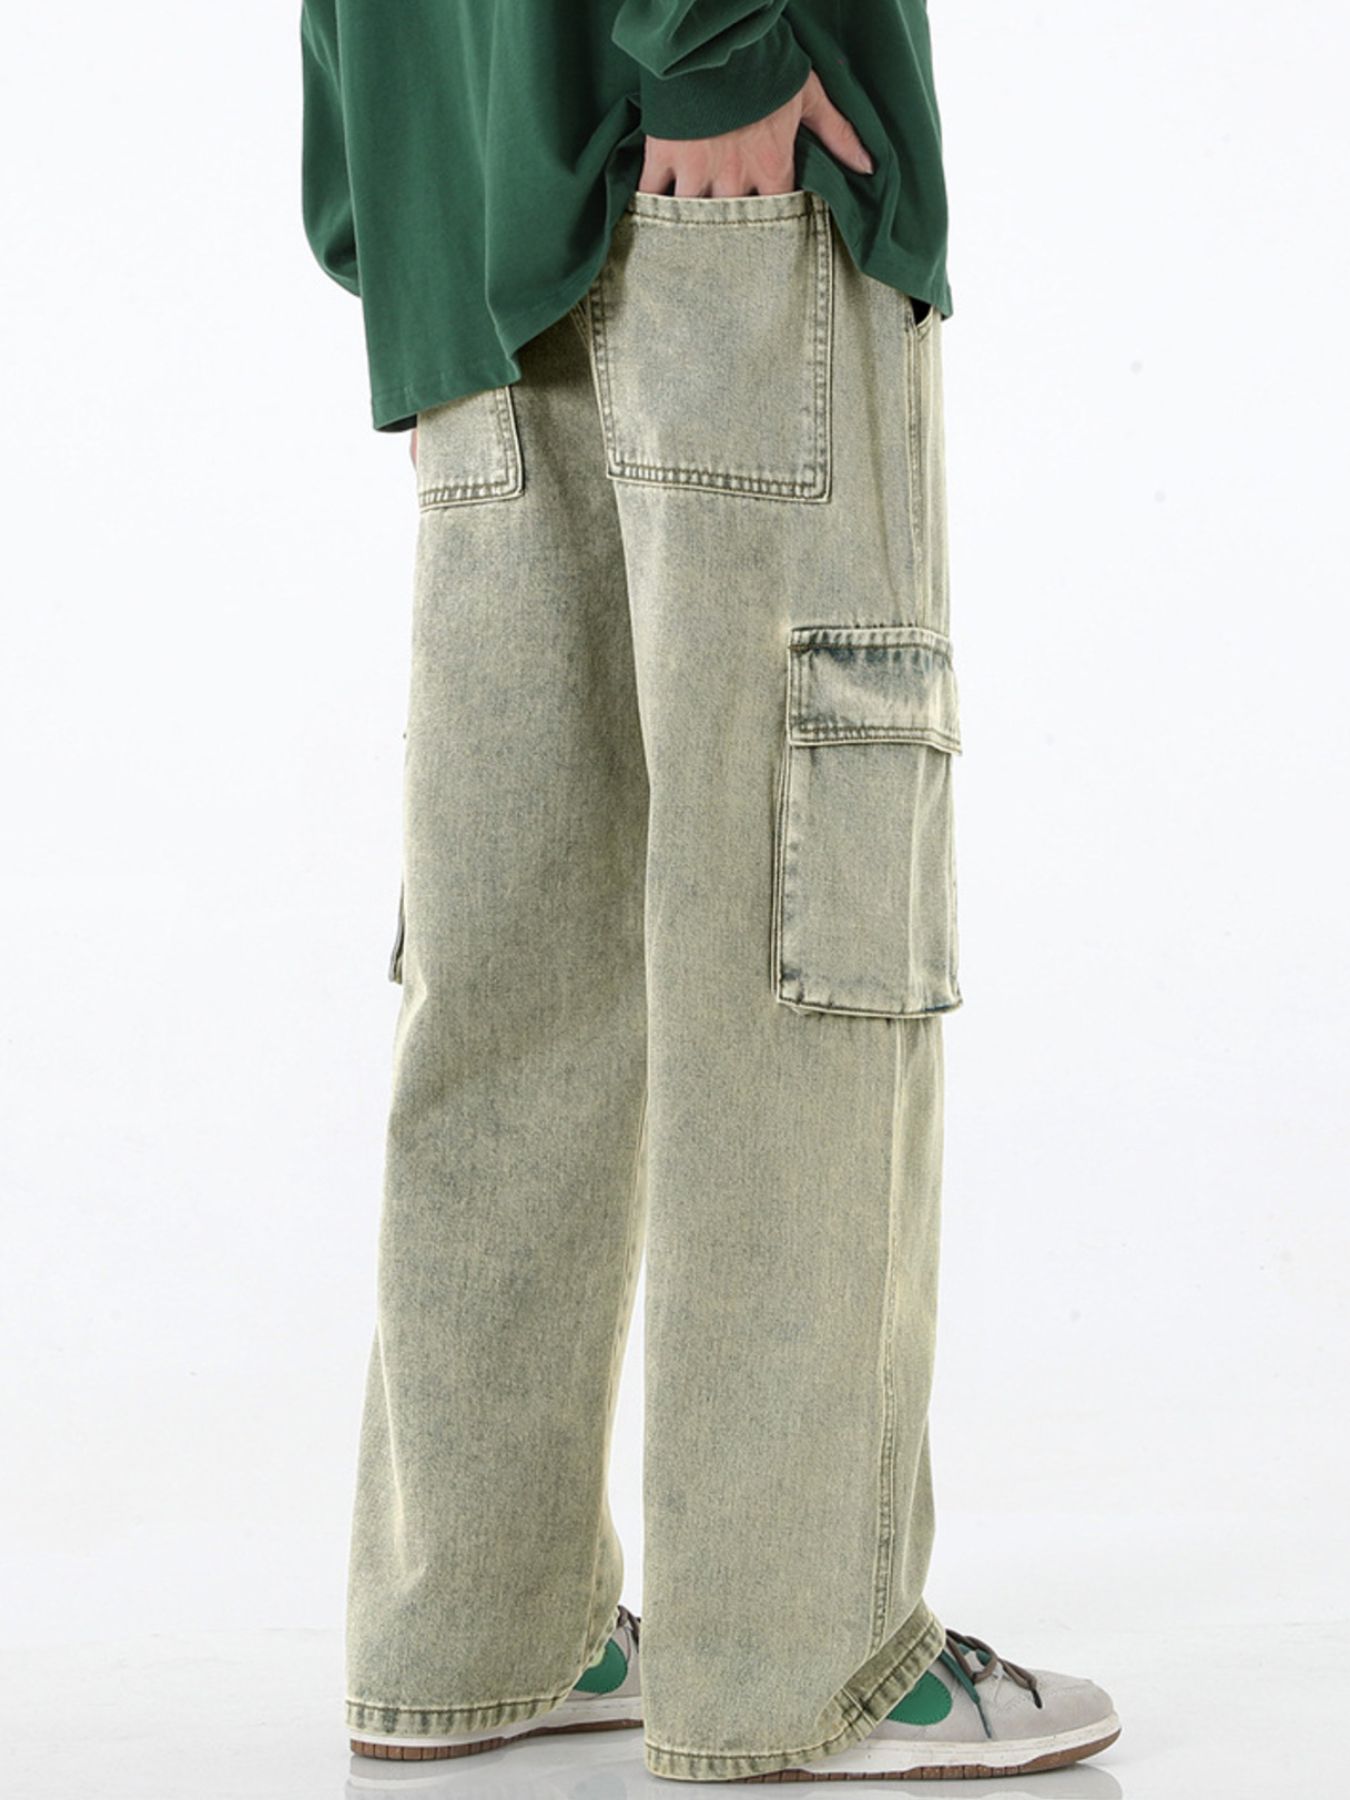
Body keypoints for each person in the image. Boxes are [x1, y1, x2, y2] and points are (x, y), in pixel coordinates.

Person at [299, 2, 1121, 1783]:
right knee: (792, 934)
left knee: (518, 966)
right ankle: (800, 1655)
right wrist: (716, 43)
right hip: (705, 161)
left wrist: (397, 197)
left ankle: (475, 1625)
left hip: (468, 206)